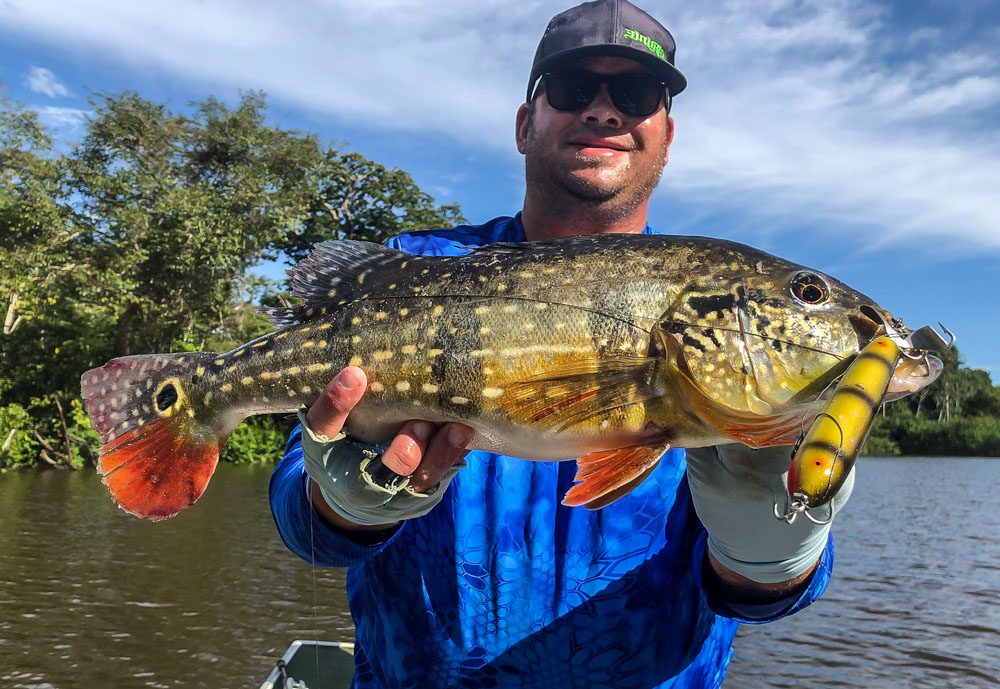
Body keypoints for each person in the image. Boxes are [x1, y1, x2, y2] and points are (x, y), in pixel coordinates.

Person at [269, 1, 853, 686]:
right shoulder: (414, 266)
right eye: (574, 88)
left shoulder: (745, 366)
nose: (605, 111)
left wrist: (771, 550)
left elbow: (756, 599)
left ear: (668, 134)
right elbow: (297, 516)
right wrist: (343, 506)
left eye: (636, 95)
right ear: (525, 125)